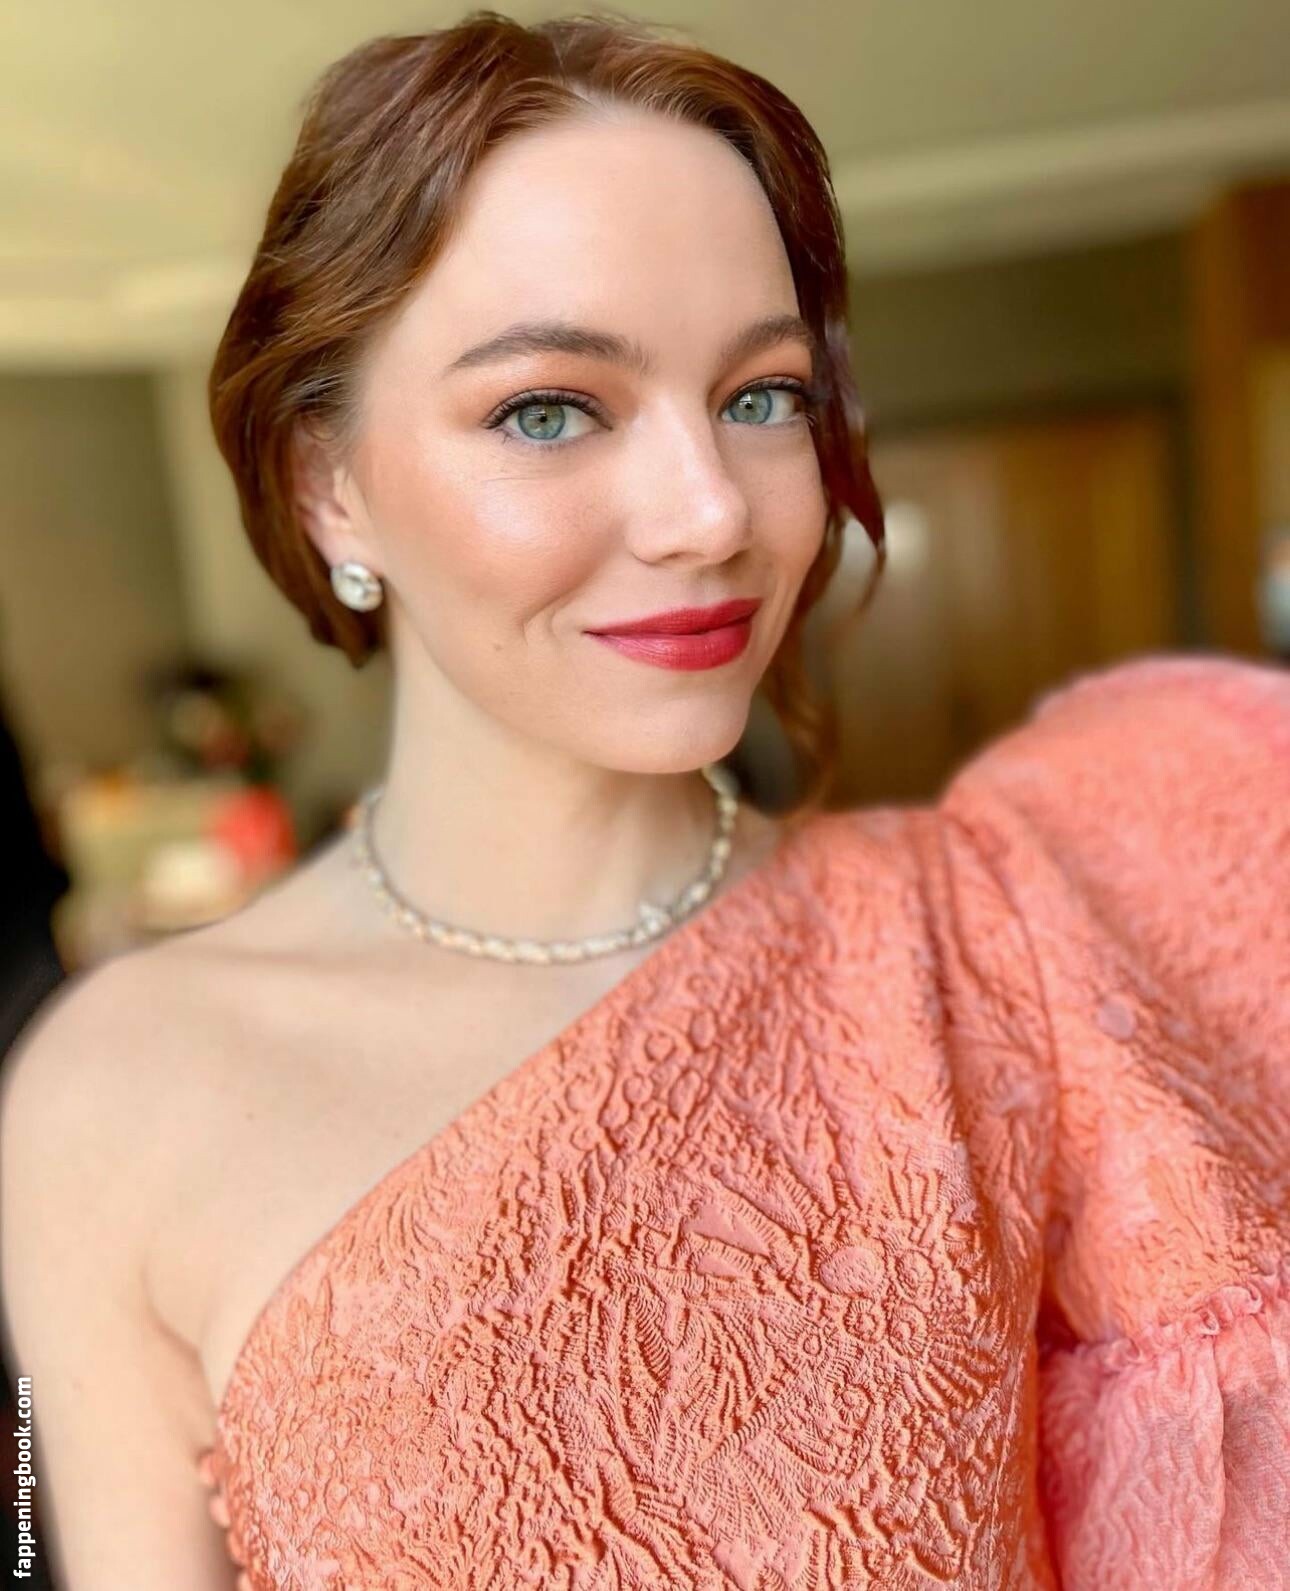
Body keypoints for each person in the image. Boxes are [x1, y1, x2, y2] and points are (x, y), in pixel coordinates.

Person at [1, 11, 1286, 1589]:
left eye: (763, 396)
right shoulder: (115, 1095)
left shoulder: (985, 942)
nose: (709, 514)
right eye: (548, 408)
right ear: (326, 484)